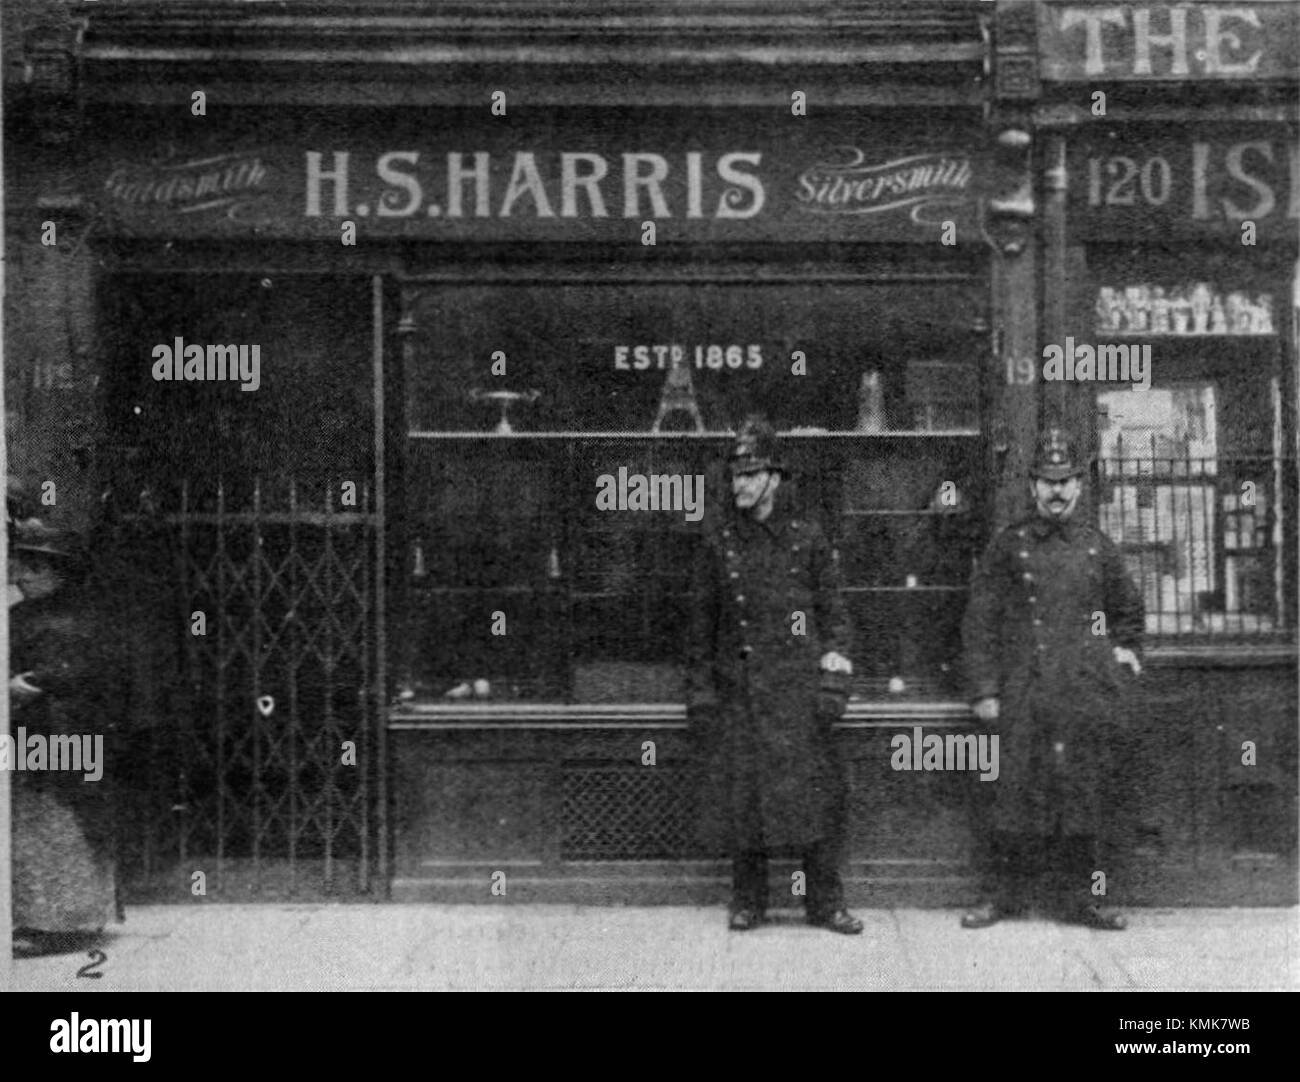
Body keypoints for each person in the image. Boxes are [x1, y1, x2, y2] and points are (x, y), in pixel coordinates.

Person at [960, 429, 1144, 930]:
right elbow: (980, 623)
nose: (1057, 491)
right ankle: (1002, 897)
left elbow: (1128, 615)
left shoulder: (1097, 549)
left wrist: (1119, 665)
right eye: (1047, 481)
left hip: (1082, 696)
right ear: (1032, 486)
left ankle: (1087, 900)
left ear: (1080, 486)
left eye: (1065, 482)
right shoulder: (1008, 547)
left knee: (1082, 800)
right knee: (1012, 797)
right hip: (1023, 694)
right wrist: (983, 690)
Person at [687, 416, 862, 934]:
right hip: (742, 693)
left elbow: (836, 620)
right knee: (746, 804)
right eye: (735, 475)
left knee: (816, 803)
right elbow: (700, 627)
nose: (739, 484)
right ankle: (748, 900)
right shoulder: (718, 543)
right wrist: (701, 695)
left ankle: (825, 903)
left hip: (802, 697)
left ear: (775, 478)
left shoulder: (807, 539)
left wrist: (833, 685)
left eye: (750, 474)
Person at [9, 525, 123, 955]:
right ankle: (48, 917)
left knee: (60, 822)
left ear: (58, 572)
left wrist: (31, 683)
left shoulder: (82, 618)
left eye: (35, 567)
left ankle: (59, 922)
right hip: (38, 733)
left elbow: (91, 670)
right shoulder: (21, 616)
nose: (23, 574)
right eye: (23, 564)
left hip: (65, 731)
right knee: (39, 823)